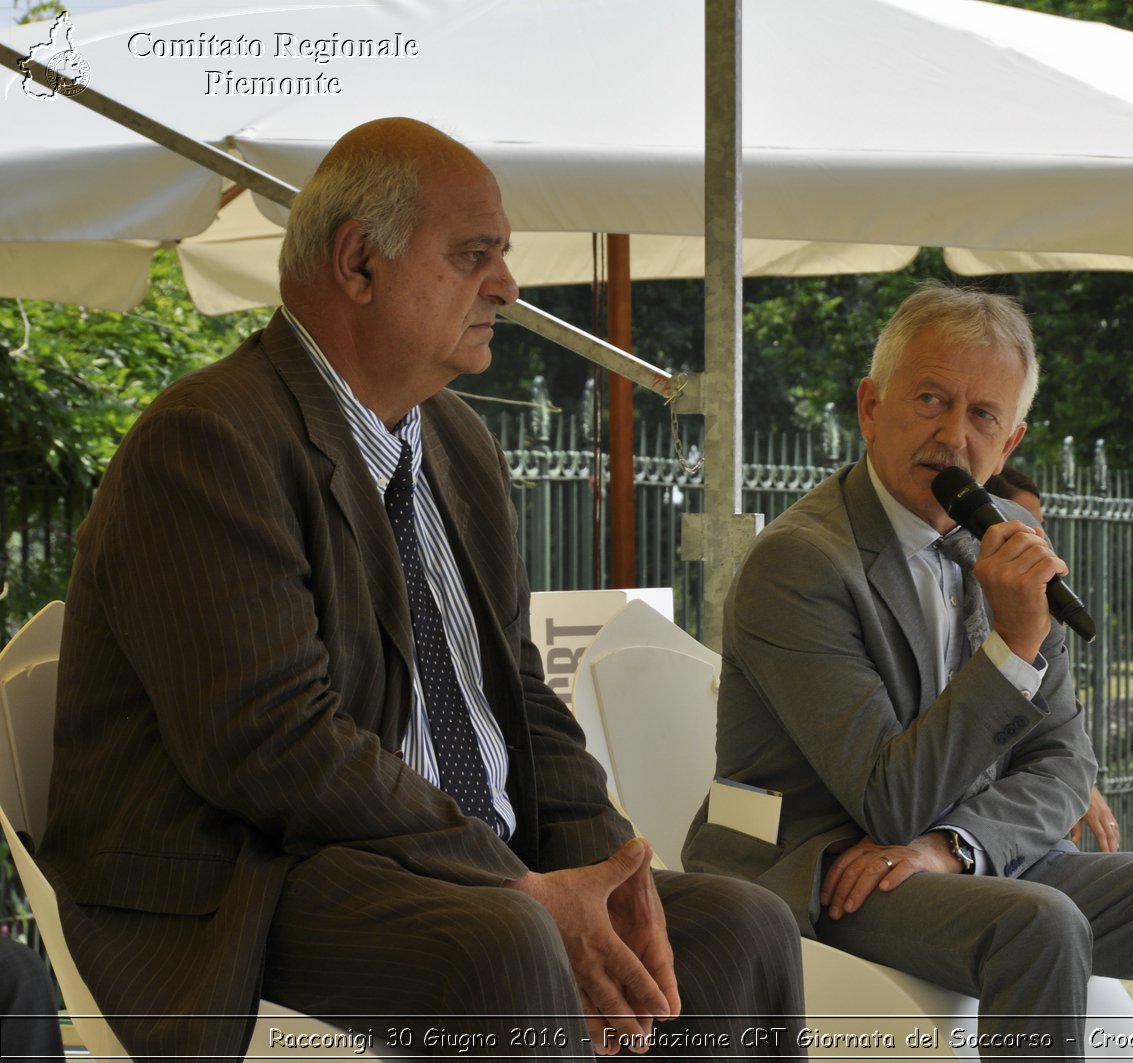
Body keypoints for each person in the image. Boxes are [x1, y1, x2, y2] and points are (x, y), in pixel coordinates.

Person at [40, 118, 803, 1061]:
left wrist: (611, 872)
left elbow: (516, 690)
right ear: (360, 263)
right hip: (254, 879)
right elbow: (272, 746)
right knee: (505, 940)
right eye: (474, 255)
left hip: (441, 867)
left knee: (742, 927)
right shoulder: (208, 441)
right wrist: (512, 883)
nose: (507, 287)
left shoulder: (456, 441)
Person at [684, 283, 1133, 1058]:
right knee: (1039, 924)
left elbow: (1065, 764)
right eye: (930, 398)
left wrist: (956, 845)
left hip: (965, 856)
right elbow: (886, 799)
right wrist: (1011, 647)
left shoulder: (1012, 535)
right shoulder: (800, 562)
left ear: (1010, 441)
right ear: (870, 406)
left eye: (982, 415)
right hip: (823, 866)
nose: (952, 434)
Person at [984, 466, 1120, 853]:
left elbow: (1061, 735)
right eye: (1017, 527)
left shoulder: (1037, 609)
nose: (1035, 542)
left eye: (1038, 527)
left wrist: (1075, 786)